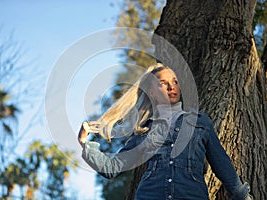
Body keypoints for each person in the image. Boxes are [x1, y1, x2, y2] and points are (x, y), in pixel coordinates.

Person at [78, 63, 253, 199]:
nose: (171, 87)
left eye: (175, 82)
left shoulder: (200, 122)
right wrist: (85, 144)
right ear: (152, 92)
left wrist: (241, 195)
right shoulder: (144, 129)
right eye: (164, 83)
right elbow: (112, 168)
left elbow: (222, 164)